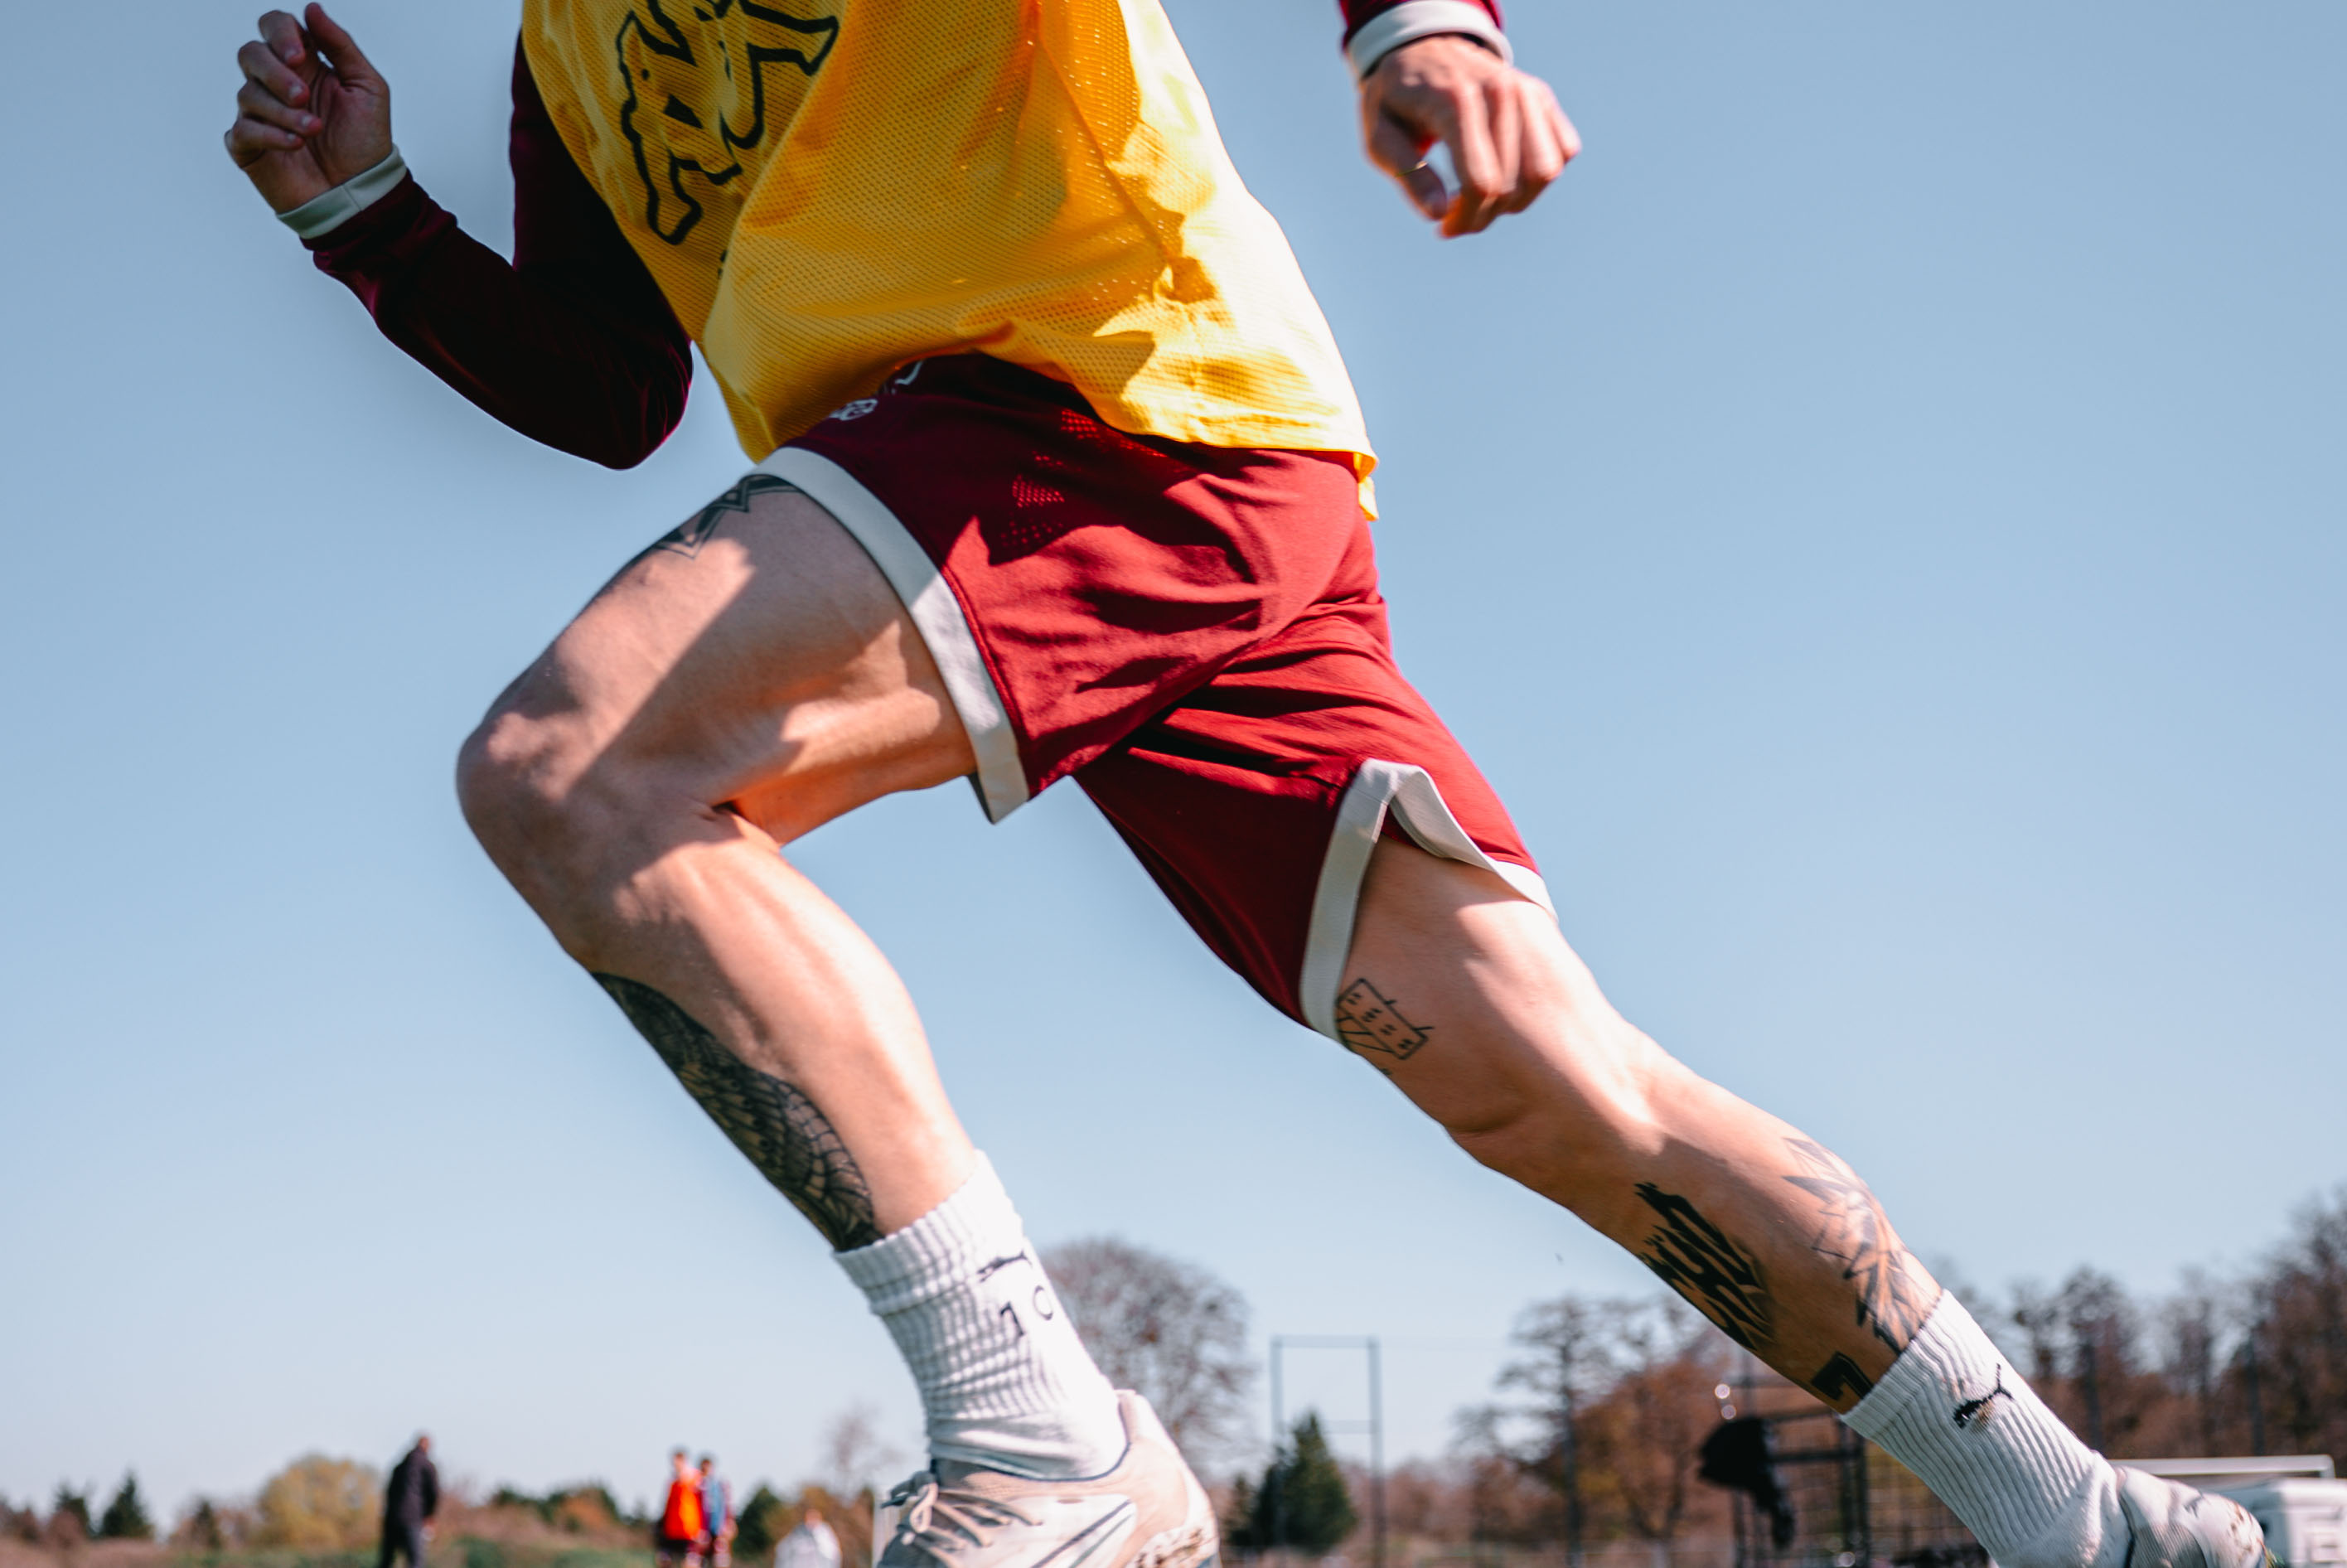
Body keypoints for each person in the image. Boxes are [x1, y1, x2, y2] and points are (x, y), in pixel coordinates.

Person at [222, 5, 2273, 1568]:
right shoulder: (563, 48)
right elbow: (611, 387)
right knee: (1561, 1088)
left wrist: (1416, 26)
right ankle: (2083, 1519)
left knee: (575, 770)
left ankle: (1048, 1444)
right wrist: (365, 214)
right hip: (1039, 501)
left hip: (1106, 400)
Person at [379, 1435, 437, 1568]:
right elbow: (433, 1493)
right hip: (413, 1519)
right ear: (427, 1448)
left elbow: (389, 1493)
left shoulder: (399, 1467)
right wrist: (429, 1515)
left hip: (392, 1519)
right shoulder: (427, 1466)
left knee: (386, 1560)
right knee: (415, 1561)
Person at [657, 1449, 704, 1568]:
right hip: (672, 1530)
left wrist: (702, 1528)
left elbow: (703, 1504)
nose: (675, 1465)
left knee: (689, 1562)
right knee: (665, 1560)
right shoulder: (673, 1483)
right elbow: (668, 1506)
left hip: (688, 1531)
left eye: (677, 1461)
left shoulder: (694, 1479)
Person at [698, 1457, 733, 1568]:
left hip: (718, 1530)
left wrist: (728, 1522)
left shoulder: (719, 1486)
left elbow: (726, 1505)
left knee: (719, 1559)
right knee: (701, 1559)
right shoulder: (697, 1486)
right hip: (702, 1531)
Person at [777, 1509, 841, 1568]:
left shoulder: (825, 1533)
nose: (811, 1522)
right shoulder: (798, 1531)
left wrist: (817, 1539)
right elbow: (782, 1549)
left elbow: (833, 1553)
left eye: (814, 1519)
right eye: (809, 1519)